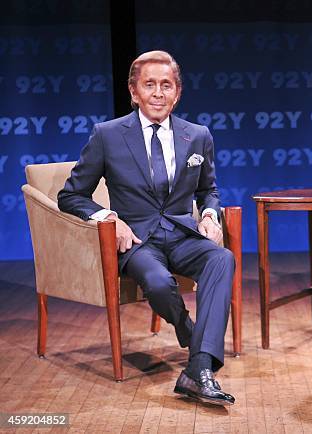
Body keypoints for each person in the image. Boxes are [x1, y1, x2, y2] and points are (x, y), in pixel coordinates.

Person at [58, 50, 235, 405]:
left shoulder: (197, 135)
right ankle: (189, 333)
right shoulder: (107, 135)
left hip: (183, 235)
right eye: (149, 85)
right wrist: (109, 218)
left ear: (178, 92)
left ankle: (198, 370)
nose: (158, 93)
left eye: (166, 85)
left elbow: (208, 190)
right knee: (156, 281)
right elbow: (71, 195)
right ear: (133, 92)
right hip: (138, 241)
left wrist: (210, 216)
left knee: (222, 259)